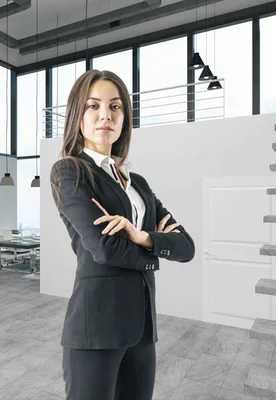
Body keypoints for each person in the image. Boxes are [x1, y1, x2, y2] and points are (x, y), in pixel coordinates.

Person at [49, 69, 195, 400]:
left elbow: (186, 247)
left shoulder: (137, 183)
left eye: (115, 107)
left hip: (143, 330)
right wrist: (156, 251)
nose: (106, 115)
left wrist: (142, 238)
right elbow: (104, 249)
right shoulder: (70, 171)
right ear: (78, 115)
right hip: (96, 328)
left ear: (124, 116)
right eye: (93, 106)